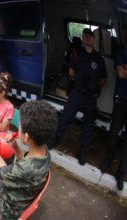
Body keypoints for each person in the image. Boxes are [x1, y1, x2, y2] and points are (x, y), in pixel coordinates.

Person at [52, 28, 107, 165]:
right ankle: (55, 139)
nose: (86, 38)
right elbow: (71, 72)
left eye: (89, 36)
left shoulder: (98, 57)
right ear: (82, 39)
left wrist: (94, 86)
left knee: (88, 124)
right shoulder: (77, 52)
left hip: (91, 96)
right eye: (84, 36)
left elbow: (104, 77)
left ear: (93, 39)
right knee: (67, 116)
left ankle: (83, 150)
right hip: (77, 92)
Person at [100, 25, 127, 190]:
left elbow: (124, 71)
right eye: (124, 33)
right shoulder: (119, 50)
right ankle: (108, 159)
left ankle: (121, 172)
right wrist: (123, 70)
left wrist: (125, 68)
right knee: (113, 131)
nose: (125, 36)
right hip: (121, 98)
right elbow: (121, 74)